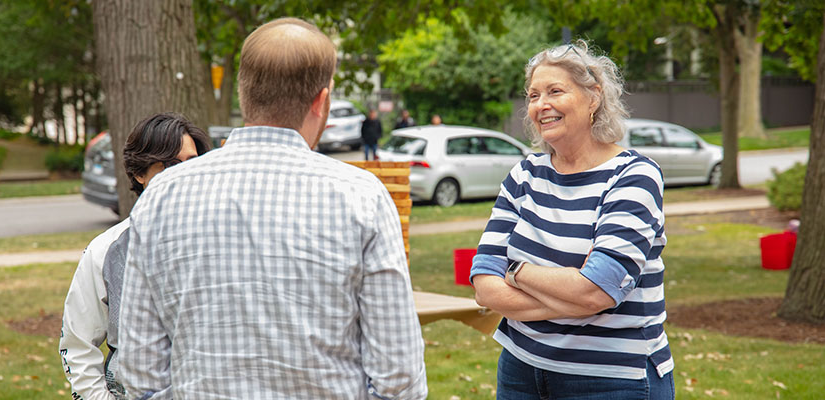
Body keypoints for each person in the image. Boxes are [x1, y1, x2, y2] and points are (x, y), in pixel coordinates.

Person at [116, 17, 427, 399]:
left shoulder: (161, 195)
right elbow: (399, 375)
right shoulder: (361, 197)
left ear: (244, 92)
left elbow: (139, 368)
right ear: (322, 101)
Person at [470, 40, 675, 399]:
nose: (541, 105)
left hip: (611, 379)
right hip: (520, 370)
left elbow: (596, 289)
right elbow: (485, 286)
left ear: (593, 96)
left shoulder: (632, 176)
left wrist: (516, 272)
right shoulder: (525, 174)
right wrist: (578, 298)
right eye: (533, 95)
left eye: (555, 91)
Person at [59, 112, 211, 400]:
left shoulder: (221, 242)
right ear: (139, 173)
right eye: (169, 165)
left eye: (192, 164)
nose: (184, 177)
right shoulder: (105, 250)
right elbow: (77, 345)